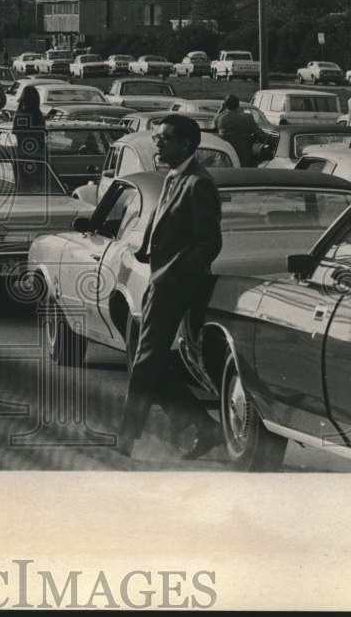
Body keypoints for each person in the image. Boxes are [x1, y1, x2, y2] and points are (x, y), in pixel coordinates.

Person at [117, 114, 224, 461]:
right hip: (158, 279)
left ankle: (127, 436)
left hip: (175, 284)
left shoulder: (199, 183)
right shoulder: (172, 177)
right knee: (147, 358)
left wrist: (175, 275)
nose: (158, 143)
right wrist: (146, 250)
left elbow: (209, 244)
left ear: (187, 145)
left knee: (146, 360)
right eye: (158, 137)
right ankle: (204, 427)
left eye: (166, 138)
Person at [213, 94, 266, 167]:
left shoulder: (220, 118)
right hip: (243, 155)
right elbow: (260, 135)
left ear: (226, 105)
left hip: (225, 155)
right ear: (238, 105)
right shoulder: (246, 118)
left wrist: (221, 108)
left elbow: (213, 126)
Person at [12, 85, 47, 163]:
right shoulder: (40, 116)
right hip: (40, 155)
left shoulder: (20, 116)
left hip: (23, 155)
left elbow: (17, 136)